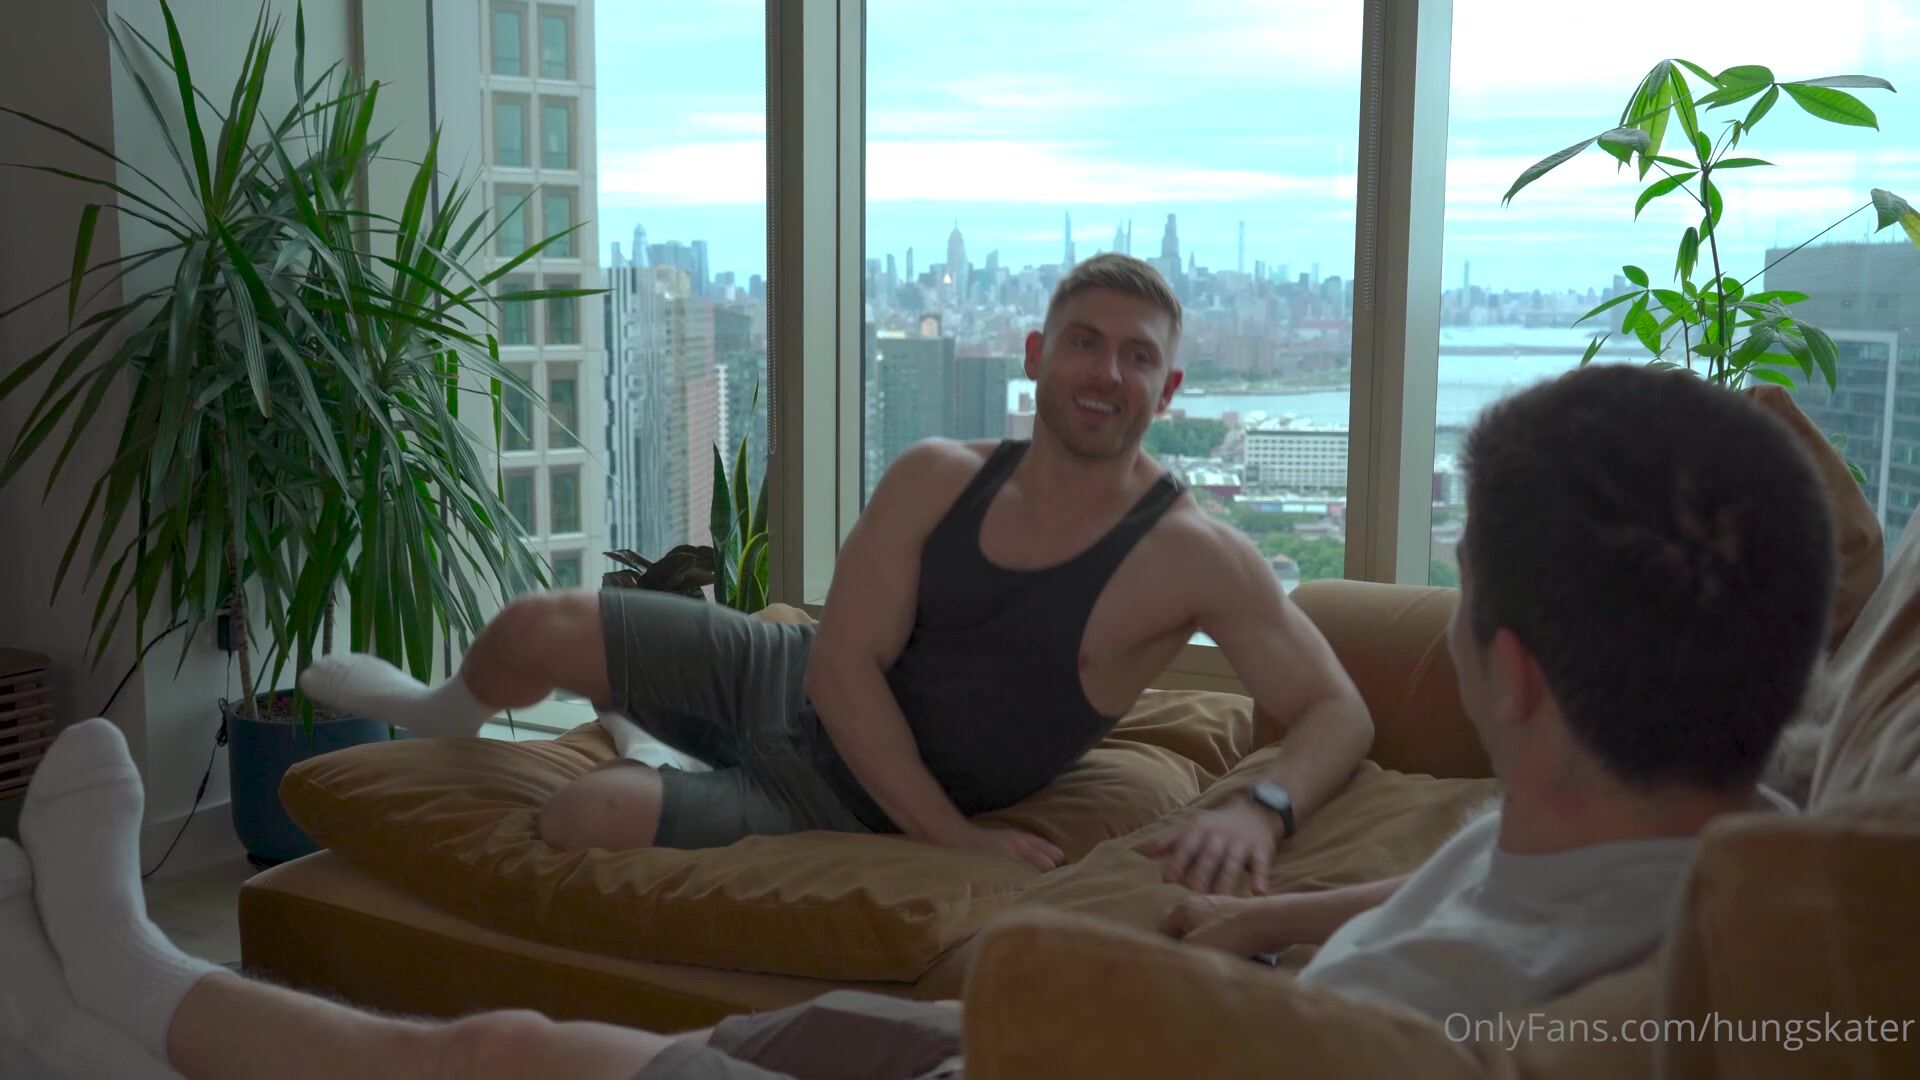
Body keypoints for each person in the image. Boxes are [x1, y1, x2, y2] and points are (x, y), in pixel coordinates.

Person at [1, 365, 1834, 1079]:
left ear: (1509, 673)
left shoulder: (1185, 560)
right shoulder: (1722, 860)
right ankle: (103, 1017)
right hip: (892, 850)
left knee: (495, 1050)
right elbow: (1477, 895)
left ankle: (133, 982)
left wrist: (1053, 923)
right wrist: (1266, 910)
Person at [299, 253, 1375, 891]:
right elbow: (839, 670)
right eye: (1085, 343)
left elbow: (1337, 710)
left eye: (1138, 357)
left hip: (840, 800)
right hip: (783, 678)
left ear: (1170, 389)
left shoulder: (1195, 557)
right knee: (535, 627)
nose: (1108, 373)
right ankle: (441, 712)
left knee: (584, 817)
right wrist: (955, 843)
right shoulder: (936, 475)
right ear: (1036, 357)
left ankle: (644, 742)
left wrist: (1262, 809)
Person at [1161, 364, 1825, 1021]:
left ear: (1514, 675)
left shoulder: (1391, 1017)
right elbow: (1483, 878)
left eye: (1463, 592)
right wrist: (1265, 919)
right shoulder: (1762, 852)